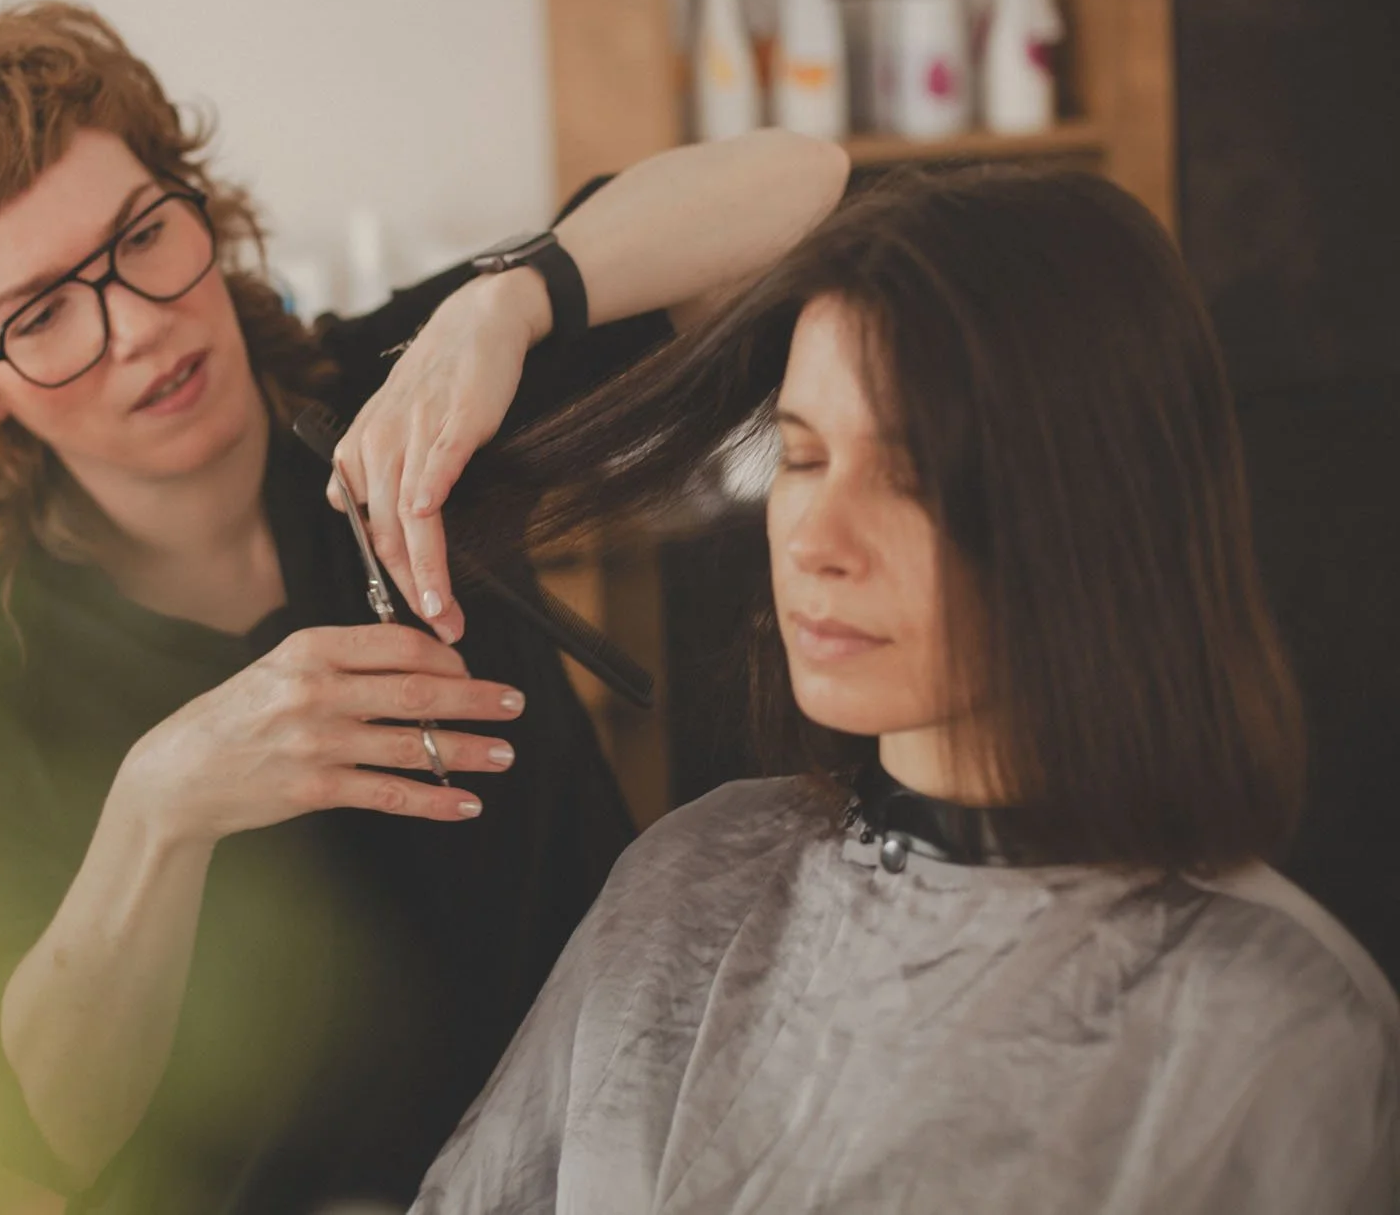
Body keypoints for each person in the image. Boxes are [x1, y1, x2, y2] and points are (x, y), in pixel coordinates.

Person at [0, 0, 848, 1214]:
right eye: (40, 314)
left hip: (602, 1159)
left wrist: (507, 306)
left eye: (142, 235)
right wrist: (160, 809)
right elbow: (51, 1125)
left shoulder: (397, 396)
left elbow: (804, 189)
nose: (138, 324)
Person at [410, 166, 1400, 1214]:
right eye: (799, 457)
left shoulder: (1272, 1023)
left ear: (1090, 512)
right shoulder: (681, 885)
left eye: (906, 476)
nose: (815, 542)